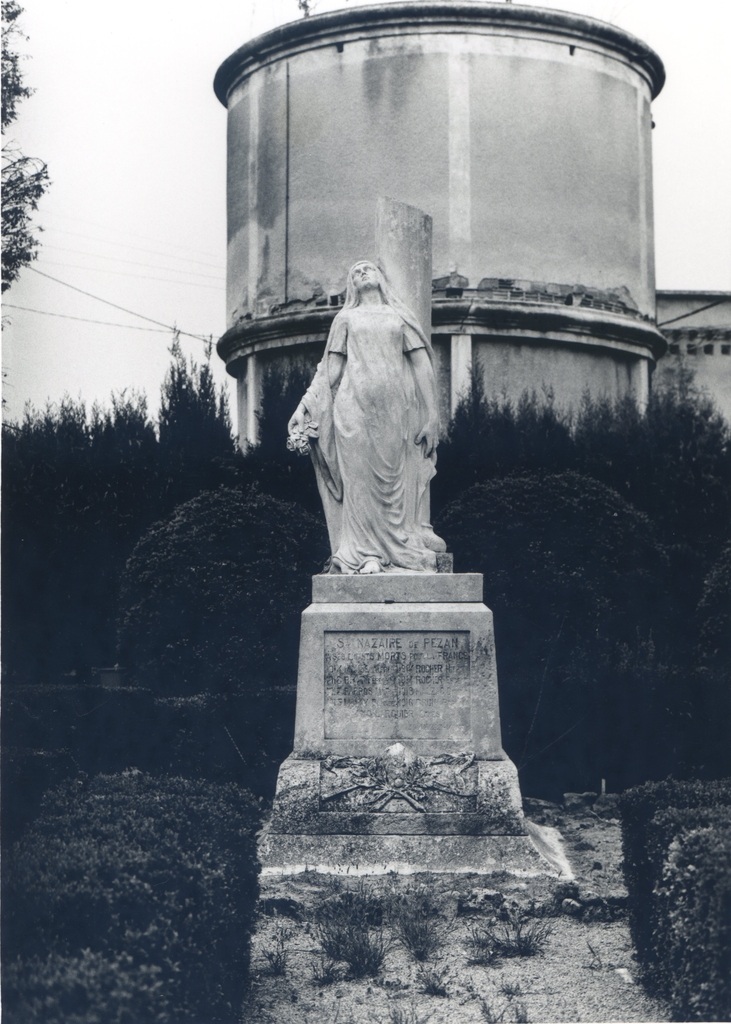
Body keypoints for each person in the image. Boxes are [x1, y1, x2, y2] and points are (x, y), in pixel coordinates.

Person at [288, 260, 446, 573]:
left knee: (390, 481)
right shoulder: (345, 318)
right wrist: (305, 405)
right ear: (352, 285)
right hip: (351, 407)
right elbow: (330, 370)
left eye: (368, 268)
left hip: (392, 410)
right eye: (356, 272)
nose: (362, 272)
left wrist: (432, 416)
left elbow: (420, 365)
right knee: (358, 481)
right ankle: (364, 554)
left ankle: (395, 547)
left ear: (381, 278)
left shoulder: (399, 317)